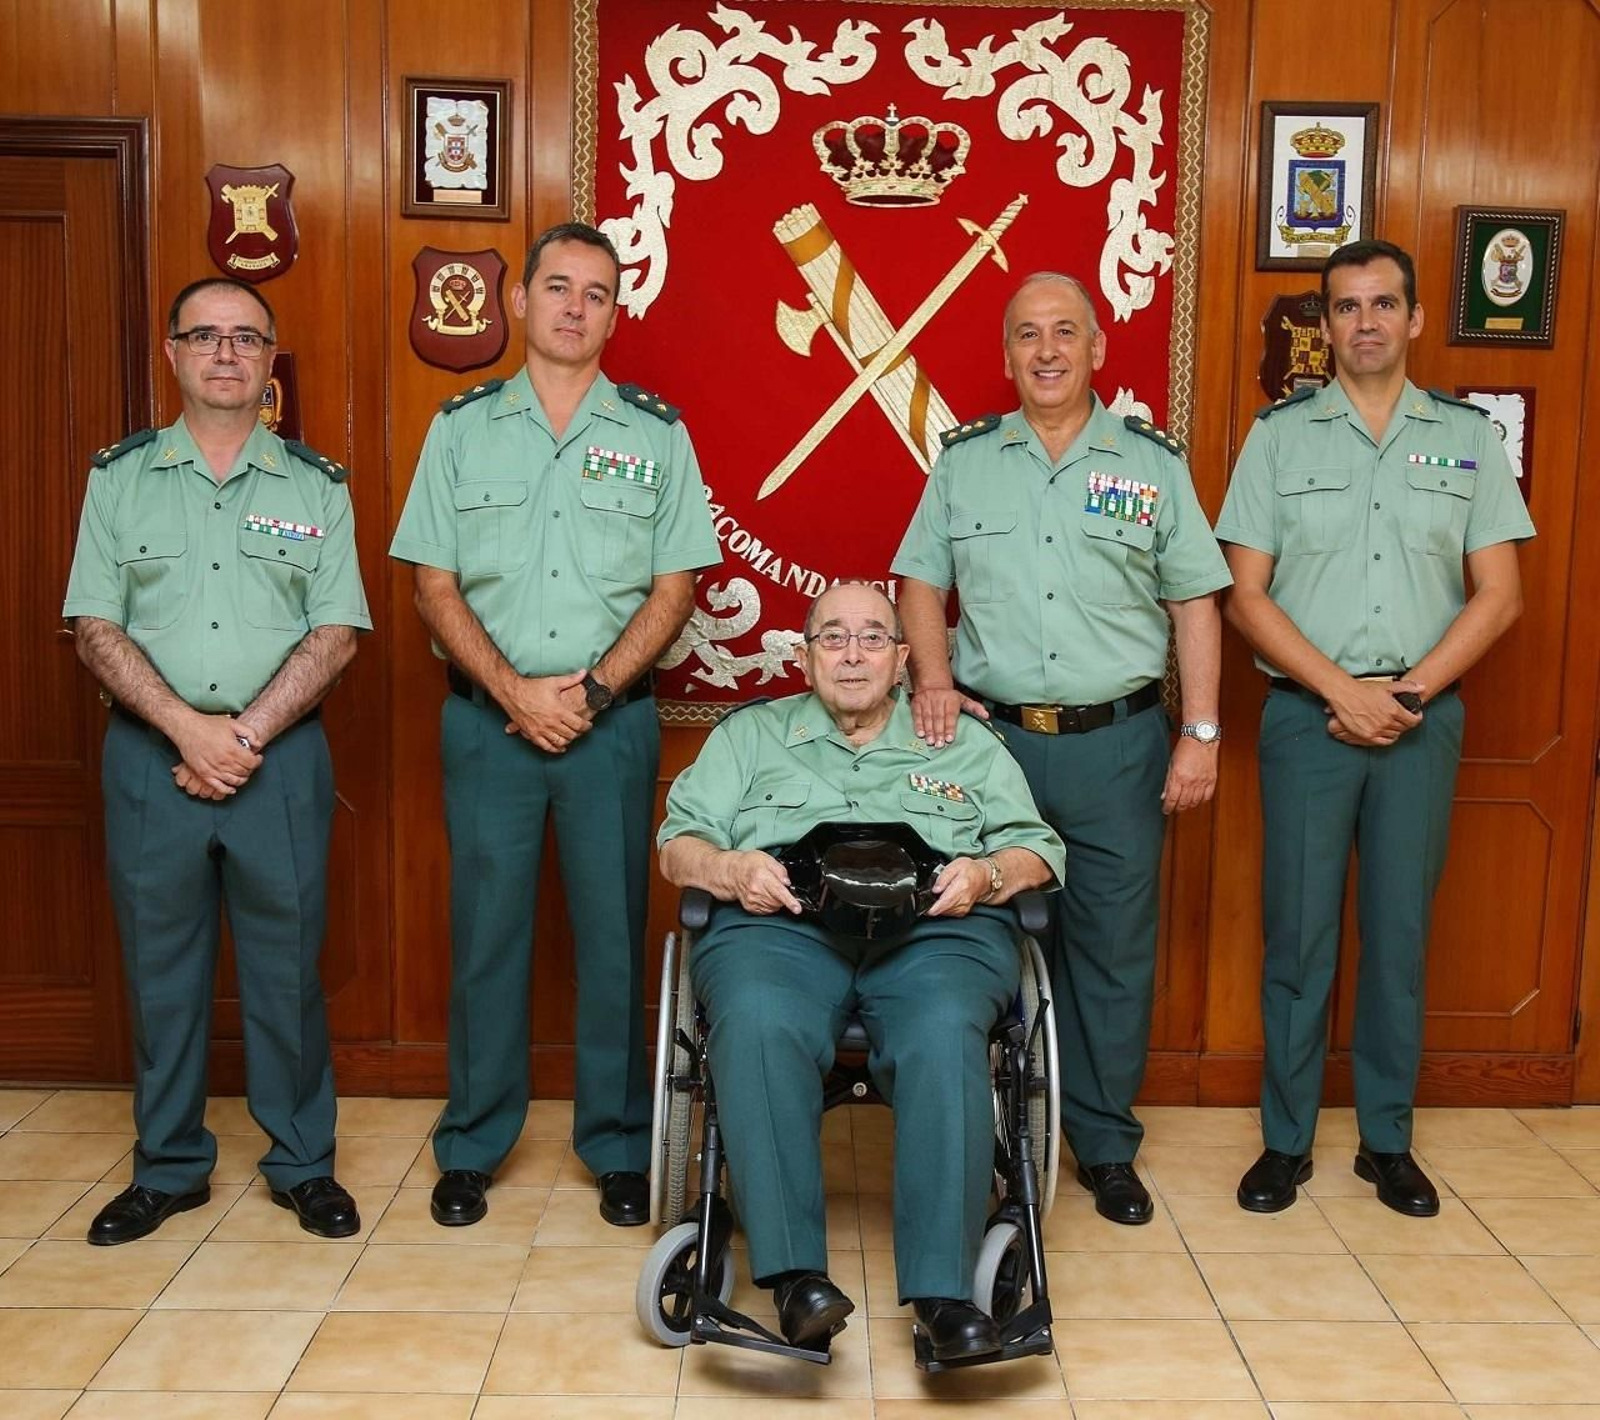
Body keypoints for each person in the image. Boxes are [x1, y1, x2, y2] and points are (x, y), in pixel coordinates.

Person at [390, 222, 720, 1229]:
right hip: (488, 726)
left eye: (598, 293)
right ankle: (474, 1141)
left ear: (615, 314)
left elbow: (674, 587)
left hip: (607, 727)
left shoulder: (656, 432)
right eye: (559, 287)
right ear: (520, 301)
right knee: (487, 935)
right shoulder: (461, 426)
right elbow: (432, 584)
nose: (577, 307)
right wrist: (513, 691)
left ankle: (618, 1142)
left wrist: (592, 692)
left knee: (613, 937)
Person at [891, 273, 1231, 1225]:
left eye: (1065, 333)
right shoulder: (965, 462)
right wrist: (930, 679)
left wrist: (1198, 731)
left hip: (1117, 744)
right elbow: (918, 579)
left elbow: (1195, 600)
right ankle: (989, 1130)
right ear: (1007, 357)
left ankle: (1106, 1146)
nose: (1046, 351)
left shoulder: (1151, 464)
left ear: (1097, 350)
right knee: (968, 935)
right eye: (1028, 335)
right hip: (990, 745)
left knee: (1112, 953)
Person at [657, 581, 1064, 1362]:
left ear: (904, 657)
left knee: (947, 1032)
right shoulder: (750, 735)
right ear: (804, 655)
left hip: (934, 934)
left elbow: (1039, 849)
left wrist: (984, 875)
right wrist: (732, 867)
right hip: (782, 927)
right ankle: (795, 1279)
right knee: (757, 1018)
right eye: (833, 637)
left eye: (873, 637)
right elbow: (678, 845)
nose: (852, 654)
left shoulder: (963, 740)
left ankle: (946, 1297)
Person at [1215, 239, 1534, 1216]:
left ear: (1413, 317)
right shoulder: (1278, 437)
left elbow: (1500, 592)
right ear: (1326, 322)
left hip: (1418, 722)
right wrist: (1340, 692)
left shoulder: (1468, 437)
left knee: (1398, 935)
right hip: (1306, 720)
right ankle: (1286, 1140)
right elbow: (1243, 592)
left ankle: (1386, 1142)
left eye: (1381, 304)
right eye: (1345, 306)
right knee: (1297, 938)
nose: (1364, 322)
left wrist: (1405, 693)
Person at [63, 276, 370, 1244]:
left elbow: (337, 633)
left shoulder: (317, 487)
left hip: (278, 763)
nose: (226, 353)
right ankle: (168, 1166)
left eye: (245, 338)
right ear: (174, 354)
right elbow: (93, 625)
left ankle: (301, 1163)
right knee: (161, 972)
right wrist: (187, 730)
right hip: (151, 760)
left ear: (270, 359)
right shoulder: (118, 478)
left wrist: (239, 736)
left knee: (286, 972)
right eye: (205, 336)